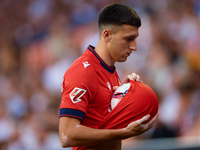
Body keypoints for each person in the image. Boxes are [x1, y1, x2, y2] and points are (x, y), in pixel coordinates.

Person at [59, 3, 158, 150]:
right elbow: (66, 136)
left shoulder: (109, 71)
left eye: (135, 38)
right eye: (128, 39)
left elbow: (99, 118)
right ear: (107, 35)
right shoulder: (83, 71)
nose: (134, 46)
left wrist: (123, 96)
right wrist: (122, 133)